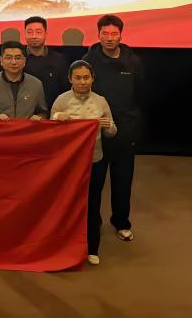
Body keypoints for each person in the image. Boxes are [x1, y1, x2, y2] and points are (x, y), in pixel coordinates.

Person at [84, 14, 145, 243]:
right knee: (94, 183)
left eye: (114, 34)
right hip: (96, 133)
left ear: (121, 35)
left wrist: (133, 125)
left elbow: (141, 95)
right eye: (105, 33)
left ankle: (121, 223)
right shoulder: (88, 61)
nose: (109, 38)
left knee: (122, 181)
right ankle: (93, 222)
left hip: (125, 132)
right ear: (98, 34)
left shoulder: (133, 62)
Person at [51, 60, 117, 266]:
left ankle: (92, 247)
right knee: (67, 202)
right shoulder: (61, 100)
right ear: (70, 79)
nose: (82, 82)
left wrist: (107, 126)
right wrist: (57, 118)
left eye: (86, 77)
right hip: (68, 163)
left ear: (92, 79)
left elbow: (113, 131)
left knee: (93, 203)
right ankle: (62, 245)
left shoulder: (100, 101)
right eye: (78, 78)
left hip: (94, 160)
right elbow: (50, 131)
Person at [0, 41, 48, 120]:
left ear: (24, 61)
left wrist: (38, 117)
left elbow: (43, 112)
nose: (13, 62)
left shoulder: (36, 84)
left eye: (18, 58)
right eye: (8, 58)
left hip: (26, 127)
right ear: (1, 60)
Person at [23, 16, 69, 109]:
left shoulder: (59, 59)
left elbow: (66, 90)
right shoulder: (18, 58)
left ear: (46, 33)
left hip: (53, 111)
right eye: (29, 32)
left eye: (38, 32)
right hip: (23, 111)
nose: (34, 36)